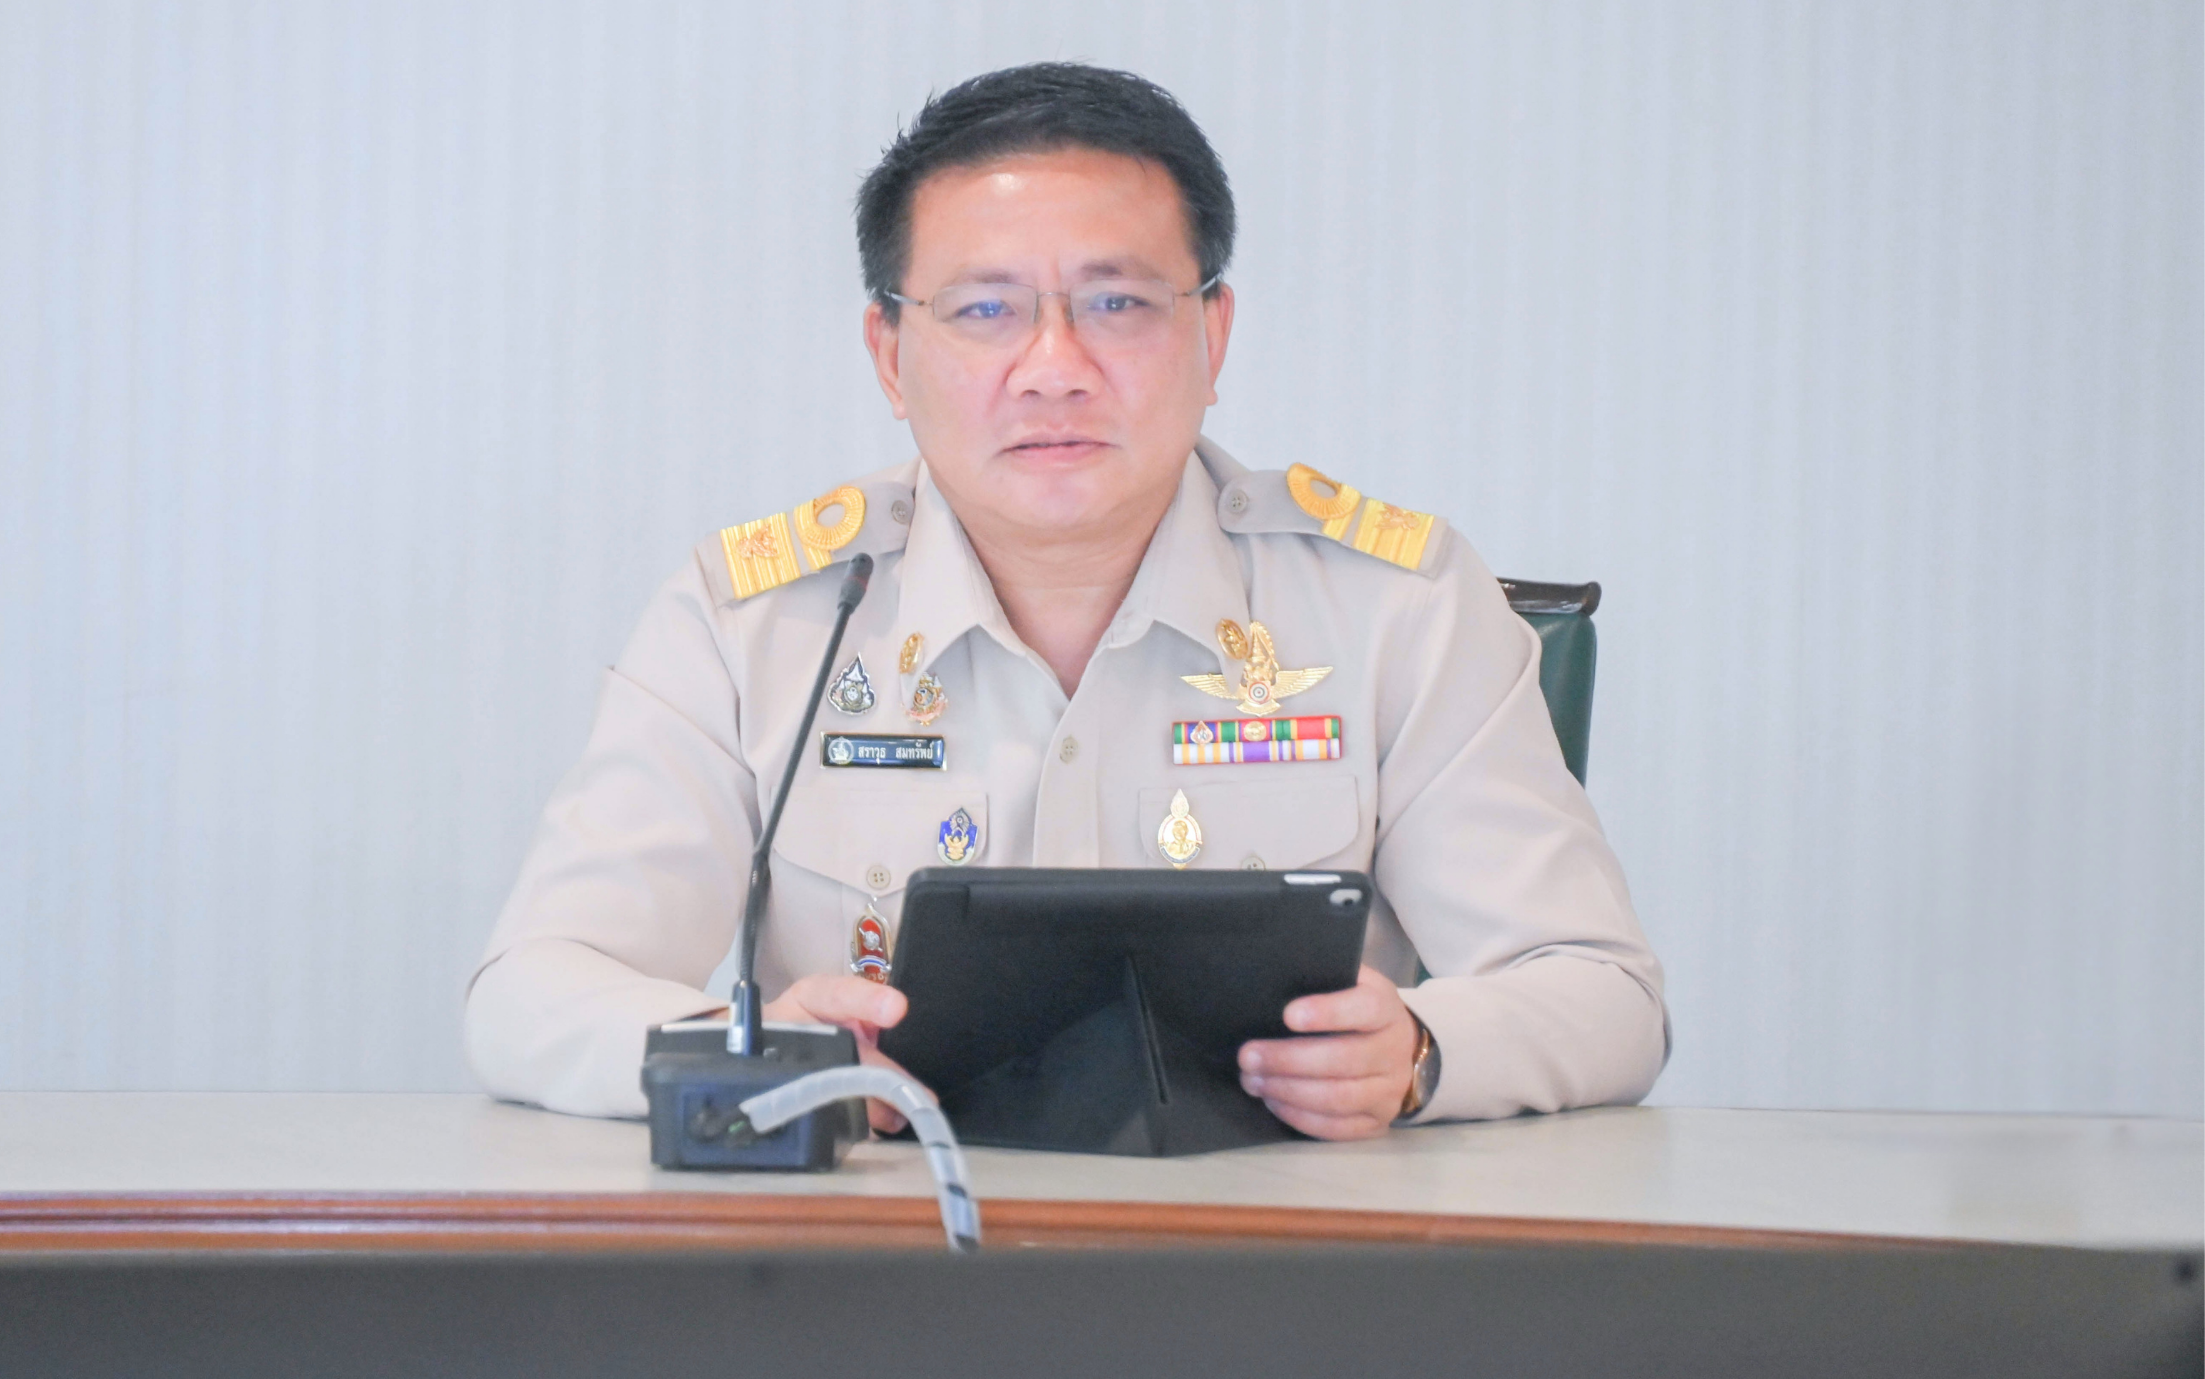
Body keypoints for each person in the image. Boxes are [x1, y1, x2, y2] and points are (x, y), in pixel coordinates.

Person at [467, 63, 1667, 1138]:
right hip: (869, 1270)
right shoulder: (757, 623)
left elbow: (1603, 993)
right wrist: (762, 1053)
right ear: (889, 353)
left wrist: (1420, 1053)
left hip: (1284, 1266)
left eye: (1117, 303)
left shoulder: (1395, 607)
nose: (1053, 367)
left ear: (1213, 334)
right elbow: (532, 989)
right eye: (984, 310)